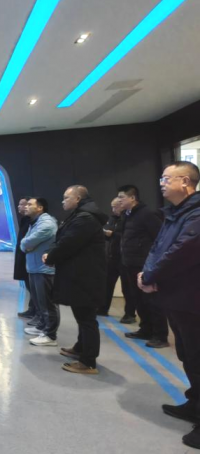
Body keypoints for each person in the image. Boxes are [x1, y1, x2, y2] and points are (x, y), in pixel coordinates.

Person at [138, 161, 200, 449]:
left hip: (192, 297)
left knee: (198, 356)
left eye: (166, 178)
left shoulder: (196, 214)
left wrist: (151, 276)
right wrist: (147, 274)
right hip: (177, 296)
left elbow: (181, 251)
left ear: (185, 181)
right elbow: (158, 247)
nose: (161, 183)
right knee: (188, 355)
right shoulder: (175, 213)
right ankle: (195, 404)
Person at [43, 185, 107, 375]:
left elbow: (68, 243)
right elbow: (64, 240)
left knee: (87, 319)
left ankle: (88, 362)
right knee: (82, 316)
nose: (63, 201)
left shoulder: (85, 218)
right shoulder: (80, 216)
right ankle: (80, 348)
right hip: (81, 275)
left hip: (85, 277)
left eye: (66, 197)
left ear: (77, 199)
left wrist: (51, 257)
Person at [116, 185, 168, 348]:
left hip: (144, 264)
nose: (118, 200)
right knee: (138, 299)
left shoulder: (147, 214)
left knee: (151, 300)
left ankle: (160, 335)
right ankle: (146, 329)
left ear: (132, 198)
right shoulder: (127, 215)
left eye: (122, 197)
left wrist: (152, 262)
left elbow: (160, 238)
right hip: (129, 263)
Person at [20, 198, 59, 346]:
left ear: (40, 208)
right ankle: (42, 326)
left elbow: (26, 242)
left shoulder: (47, 224)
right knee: (39, 302)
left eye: (30, 204)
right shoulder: (35, 222)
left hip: (44, 269)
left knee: (48, 304)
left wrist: (25, 245)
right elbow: (25, 243)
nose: (26, 207)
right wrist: (25, 244)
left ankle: (50, 335)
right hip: (35, 267)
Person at [100, 198, 126, 318]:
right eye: (112, 207)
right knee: (107, 285)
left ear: (122, 206)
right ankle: (103, 309)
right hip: (111, 257)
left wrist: (113, 234)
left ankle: (129, 313)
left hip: (123, 258)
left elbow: (127, 236)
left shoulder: (127, 219)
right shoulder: (111, 219)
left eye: (115, 207)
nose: (113, 209)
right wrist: (106, 234)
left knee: (127, 288)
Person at [14, 197, 36, 319]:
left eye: (22, 204)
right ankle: (32, 309)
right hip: (23, 256)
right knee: (29, 285)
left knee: (32, 286)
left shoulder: (33, 222)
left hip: (29, 258)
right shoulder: (25, 220)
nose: (20, 206)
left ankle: (35, 311)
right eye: (19, 204)